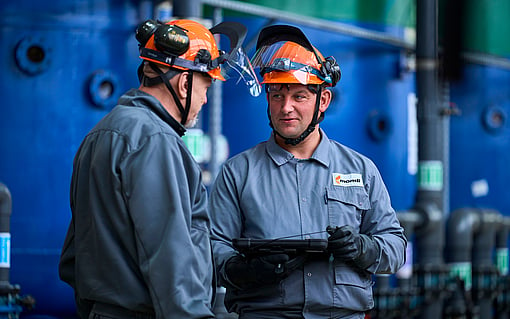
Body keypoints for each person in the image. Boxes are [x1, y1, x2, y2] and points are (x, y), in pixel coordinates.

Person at [59, 19, 260, 319]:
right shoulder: (156, 142)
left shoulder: (100, 133)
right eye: (206, 86)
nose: (205, 99)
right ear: (183, 84)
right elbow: (171, 261)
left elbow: (74, 257)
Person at [209, 24, 407, 318]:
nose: (285, 107)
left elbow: (395, 247)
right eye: (276, 95)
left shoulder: (361, 170)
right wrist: (241, 269)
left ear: (322, 101)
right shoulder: (238, 173)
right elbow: (211, 247)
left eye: (299, 96)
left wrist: (362, 247)